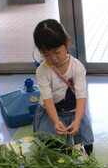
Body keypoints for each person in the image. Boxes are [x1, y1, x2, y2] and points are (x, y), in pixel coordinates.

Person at [32, 19, 94, 155]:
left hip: (73, 111)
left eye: (57, 52)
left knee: (86, 148)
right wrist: (55, 121)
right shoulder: (42, 70)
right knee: (56, 147)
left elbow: (81, 96)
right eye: (46, 54)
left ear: (66, 43)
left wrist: (77, 120)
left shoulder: (77, 67)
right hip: (51, 112)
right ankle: (56, 138)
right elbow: (47, 99)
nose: (53, 58)